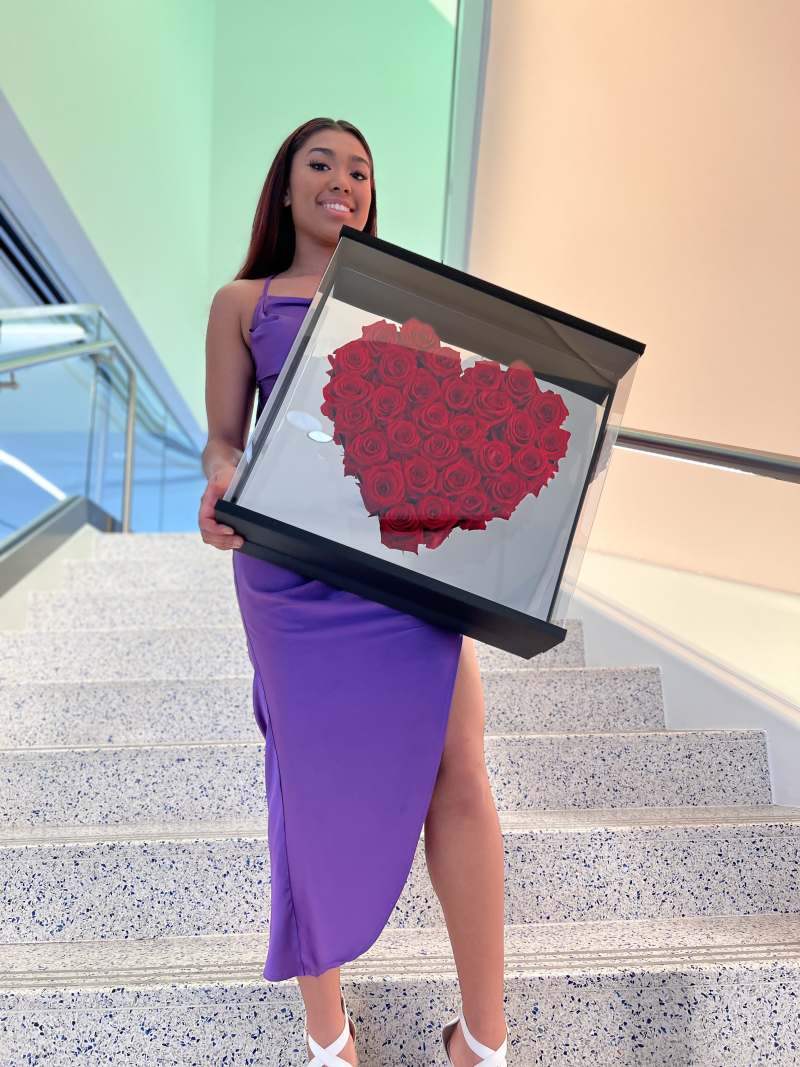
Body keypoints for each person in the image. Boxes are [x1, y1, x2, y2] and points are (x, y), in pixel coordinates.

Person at [198, 117, 508, 1067]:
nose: (344, 180)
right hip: (291, 570)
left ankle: (486, 1039)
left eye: (361, 170)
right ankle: (328, 1035)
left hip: (398, 557)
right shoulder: (242, 301)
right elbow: (223, 438)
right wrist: (221, 482)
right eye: (322, 164)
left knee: (459, 766)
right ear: (286, 187)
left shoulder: (407, 301)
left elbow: (451, 433)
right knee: (307, 781)